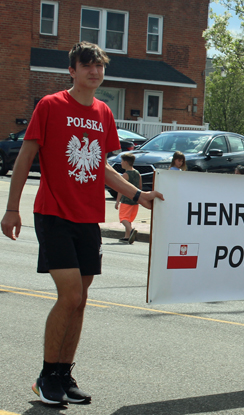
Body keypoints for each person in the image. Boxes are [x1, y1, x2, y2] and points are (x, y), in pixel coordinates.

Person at [0, 41, 164, 405]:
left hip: (89, 217)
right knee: (70, 294)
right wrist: (12, 208)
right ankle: (45, 377)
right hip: (54, 212)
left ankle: (63, 374)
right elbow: (26, 156)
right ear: (72, 70)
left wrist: (139, 196)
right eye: (86, 65)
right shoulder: (51, 105)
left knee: (82, 300)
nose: (94, 71)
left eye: (99, 66)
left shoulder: (104, 113)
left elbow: (101, 166)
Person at [115, 153, 141, 244]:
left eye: (122, 161)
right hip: (135, 200)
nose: (121, 163)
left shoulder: (125, 175)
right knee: (129, 219)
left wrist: (117, 201)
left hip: (126, 200)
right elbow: (140, 187)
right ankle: (127, 237)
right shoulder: (137, 173)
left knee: (123, 218)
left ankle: (131, 231)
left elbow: (120, 189)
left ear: (126, 162)